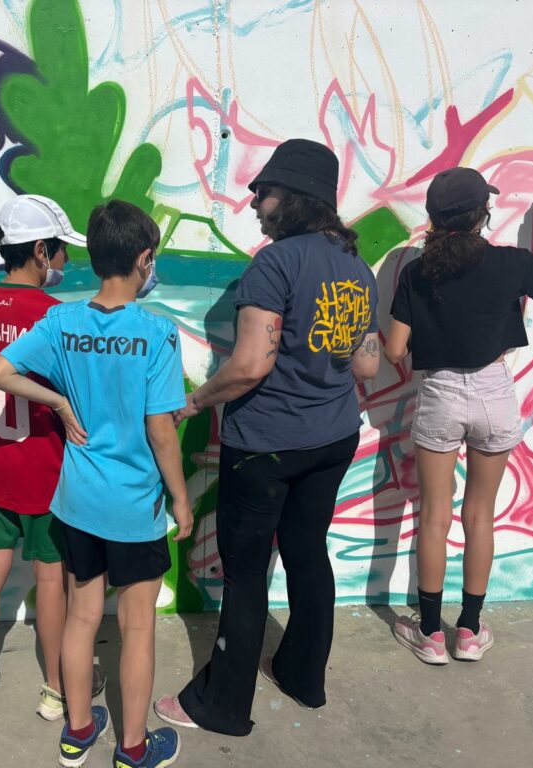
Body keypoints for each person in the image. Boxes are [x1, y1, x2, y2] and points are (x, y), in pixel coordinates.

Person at [153, 139, 380, 735]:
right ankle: (304, 678)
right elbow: (367, 365)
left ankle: (222, 705)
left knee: (247, 573)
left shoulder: (274, 264)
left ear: (298, 197)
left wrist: (194, 402)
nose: (254, 200)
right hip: (333, 437)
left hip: (267, 444)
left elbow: (251, 364)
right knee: (308, 553)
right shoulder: (357, 268)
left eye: (266, 190)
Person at [0, 199, 192, 768]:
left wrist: (57, 400)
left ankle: (78, 732)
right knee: (137, 627)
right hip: (133, 507)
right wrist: (180, 499)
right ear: (144, 259)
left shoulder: (61, 322)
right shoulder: (158, 333)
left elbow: (0, 372)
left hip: (77, 502)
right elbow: (161, 431)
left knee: (82, 617)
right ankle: (133, 748)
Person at [384, 172, 533, 663]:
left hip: (441, 393)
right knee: (479, 516)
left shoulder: (416, 272)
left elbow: (394, 350)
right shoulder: (508, 263)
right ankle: (469, 632)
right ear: (482, 215)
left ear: (434, 217)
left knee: (434, 515)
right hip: (494, 393)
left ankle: (430, 635)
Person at [0, 194, 105, 721]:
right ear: (41, 251)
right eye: (61, 251)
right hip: (44, 469)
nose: (66, 261)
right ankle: (55, 687)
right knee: (50, 578)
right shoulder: (53, 315)